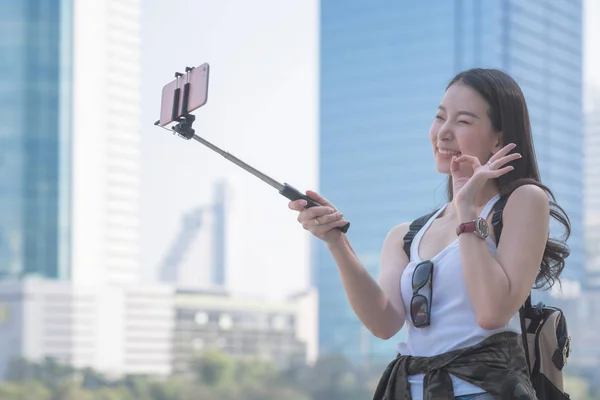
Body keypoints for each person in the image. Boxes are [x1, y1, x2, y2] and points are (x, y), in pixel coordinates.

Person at [288, 68, 571, 400]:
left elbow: (492, 312)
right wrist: (336, 241)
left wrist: (467, 214)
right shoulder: (406, 235)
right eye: (440, 117)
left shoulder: (521, 202)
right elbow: (383, 323)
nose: (444, 132)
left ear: (499, 137)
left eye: (463, 122)